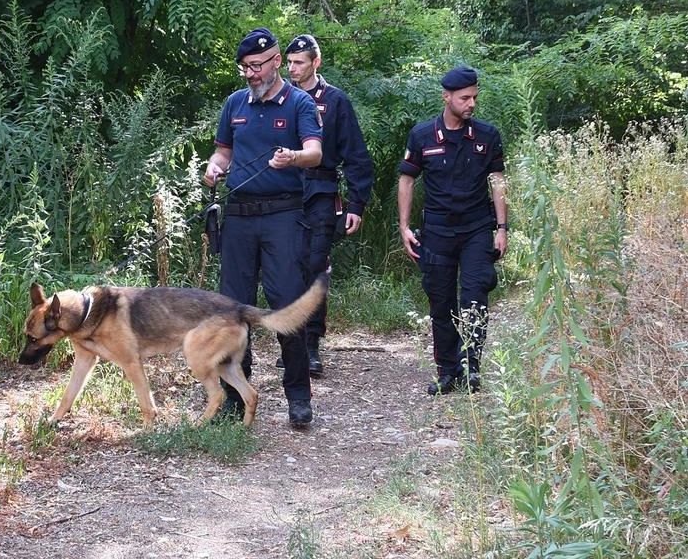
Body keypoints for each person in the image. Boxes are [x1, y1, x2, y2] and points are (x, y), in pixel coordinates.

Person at [203, 28, 323, 426]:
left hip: (283, 216)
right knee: (230, 309)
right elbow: (223, 152)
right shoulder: (235, 103)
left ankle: (298, 397)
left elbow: (315, 152)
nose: (251, 74)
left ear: (275, 62)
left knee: (287, 304)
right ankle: (235, 398)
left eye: (257, 66)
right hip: (239, 215)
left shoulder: (299, 103)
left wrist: (292, 158)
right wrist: (214, 168)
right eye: (245, 68)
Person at [397, 65, 508, 395]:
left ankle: (470, 367)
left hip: (476, 230)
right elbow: (407, 179)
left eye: (474, 97)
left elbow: (498, 181)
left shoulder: (487, 136)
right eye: (464, 98)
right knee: (441, 304)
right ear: (446, 97)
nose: (471, 104)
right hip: (437, 233)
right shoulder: (422, 136)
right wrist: (404, 227)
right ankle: (446, 371)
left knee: (475, 299)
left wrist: (501, 228)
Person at [280, 34, 375, 377]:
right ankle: (291, 344)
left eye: (299, 63)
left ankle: (311, 346)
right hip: (283, 193)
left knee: (315, 265)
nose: (293, 69)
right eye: (289, 62)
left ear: (315, 62)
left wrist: (356, 204)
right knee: (286, 269)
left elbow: (357, 157)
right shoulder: (279, 99)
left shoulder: (336, 101)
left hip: (320, 190)